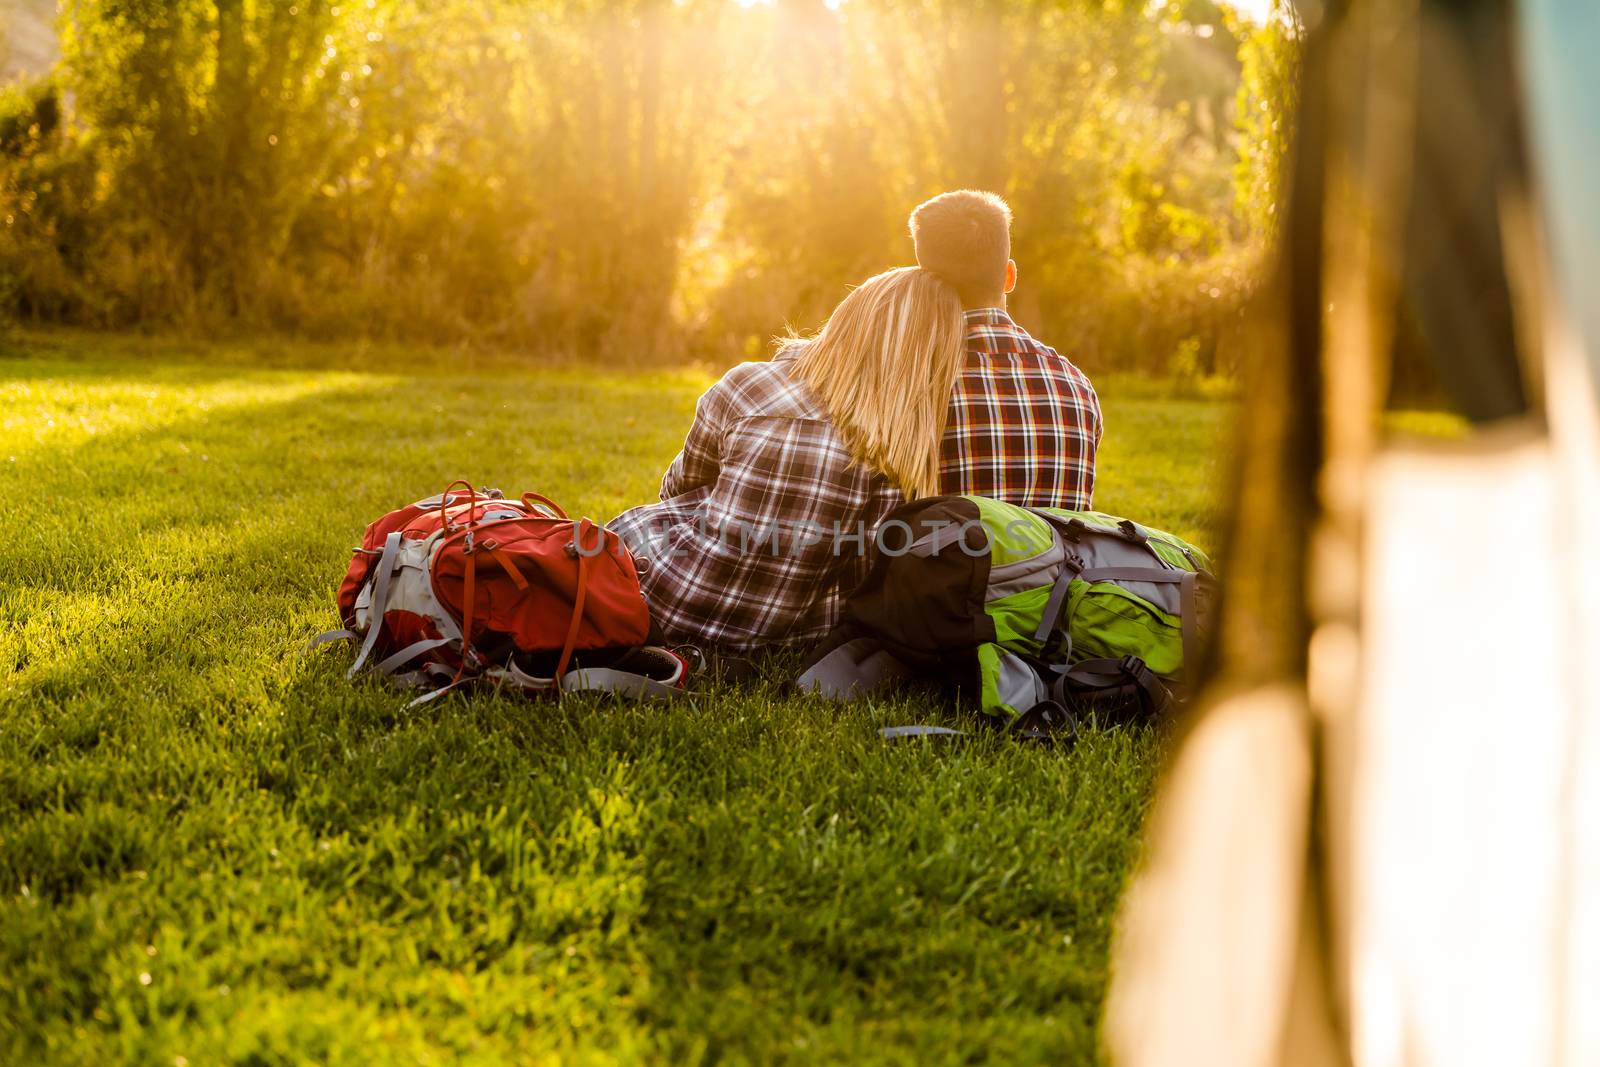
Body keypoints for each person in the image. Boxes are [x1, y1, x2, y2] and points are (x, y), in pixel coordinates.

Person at [608, 267, 966, 650]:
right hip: (785, 633)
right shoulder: (905, 442)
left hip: (661, 597)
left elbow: (679, 487)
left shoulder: (748, 383)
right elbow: (867, 568)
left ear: (848, 320)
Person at [910, 190, 1104, 509]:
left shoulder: (912, 388)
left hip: (952, 557)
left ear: (922, 281)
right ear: (1009, 276)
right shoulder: (1077, 386)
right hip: (1057, 560)